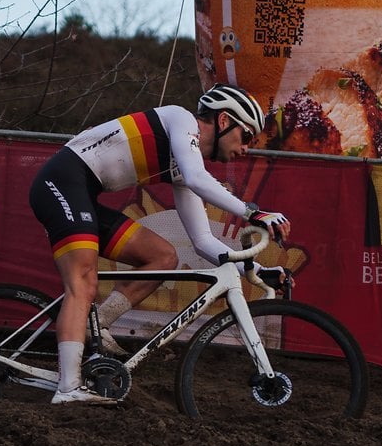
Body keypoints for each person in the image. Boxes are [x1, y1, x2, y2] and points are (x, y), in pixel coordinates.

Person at [28, 83, 291, 404]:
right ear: (223, 122)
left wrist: (255, 269)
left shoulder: (183, 167)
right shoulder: (180, 120)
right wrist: (254, 212)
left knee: (163, 257)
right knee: (83, 283)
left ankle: (96, 325)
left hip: (82, 193)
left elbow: (203, 241)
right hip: (60, 184)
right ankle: (68, 388)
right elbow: (198, 178)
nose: (247, 148)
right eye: (247, 136)